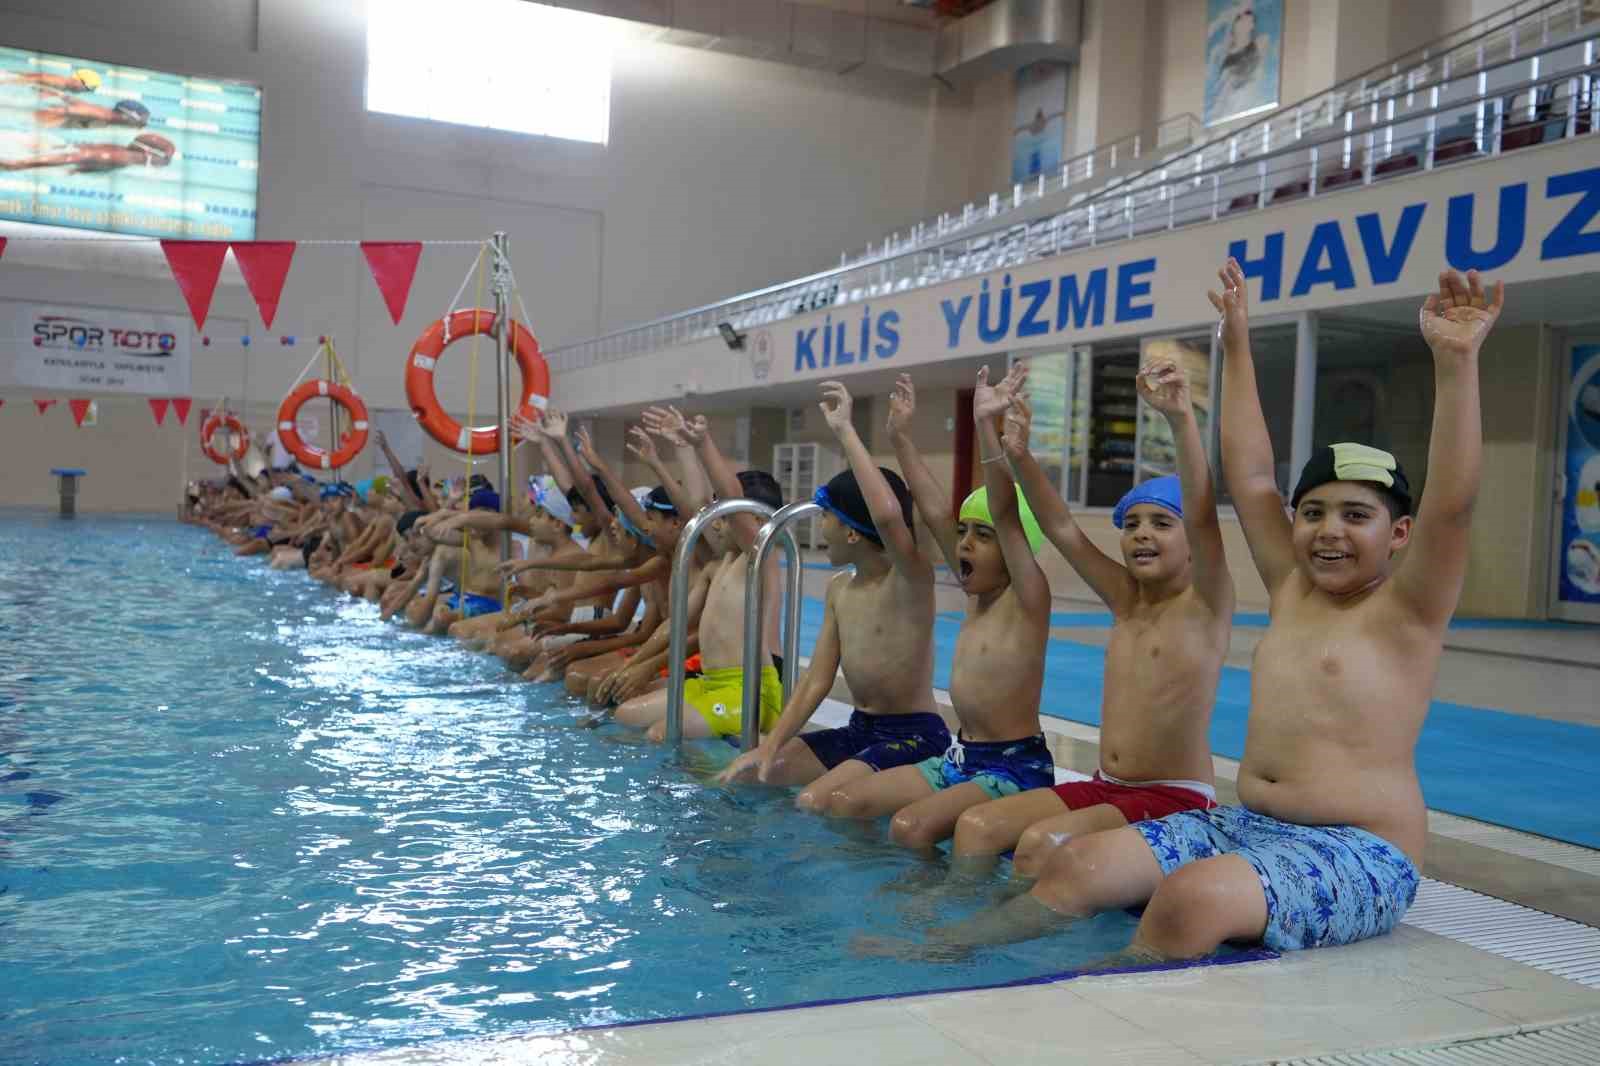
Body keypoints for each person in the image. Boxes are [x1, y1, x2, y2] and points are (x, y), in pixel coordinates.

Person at [859, 261, 1501, 964]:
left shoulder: (1408, 609)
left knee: (1191, 900)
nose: (1329, 531)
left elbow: (1453, 504)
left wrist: (1457, 363)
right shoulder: (1292, 589)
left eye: (1356, 516)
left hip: (1360, 849)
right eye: (1314, 513)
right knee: (1077, 864)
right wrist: (1236, 343)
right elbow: (1250, 475)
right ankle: (946, 953)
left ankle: (1098, 997)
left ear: (1399, 534)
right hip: (1249, 825)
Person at [938, 357, 1233, 885]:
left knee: (1040, 844)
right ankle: (954, 919)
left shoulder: (1205, 605)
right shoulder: (1125, 599)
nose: (1142, 534)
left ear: (1193, 543)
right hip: (1107, 785)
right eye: (1132, 524)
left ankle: (988, 929)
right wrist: (1017, 454)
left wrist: (1180, 419)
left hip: (1175, 797)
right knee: (978, 827)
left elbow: (1205, 515)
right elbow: (1061, 527)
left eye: (1161, 523)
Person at [823, 367, 1055, 850]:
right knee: (847, 802)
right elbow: (932, 512)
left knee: (913, 827)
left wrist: (986, 427)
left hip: (1014, 765)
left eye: (982, 536)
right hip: (960, 756)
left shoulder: (1027, 597)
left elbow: (1006, 512)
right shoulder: (976, 591)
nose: (963, 544)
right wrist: (900, 438)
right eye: (963, 532)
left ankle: (933, 895)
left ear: (1016, 549)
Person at [717, 380, 948, 812]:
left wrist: (845, 430)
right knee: (747, 775)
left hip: (915, 736)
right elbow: (816, 681)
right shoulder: (840, 588)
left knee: (816, 800)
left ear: (852, 531)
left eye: (826, 516)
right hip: (861, 730)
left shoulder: (910, 580)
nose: (819, 526)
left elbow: (887, 516)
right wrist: (770, 746)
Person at [0, 132, 175, 173]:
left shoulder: (123, 155)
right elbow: (71, 157)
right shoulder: (121, 157)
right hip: (48, 150)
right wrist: (19, 164)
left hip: (54, 148)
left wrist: (80, 170)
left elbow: (77, 158)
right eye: (165, 159)